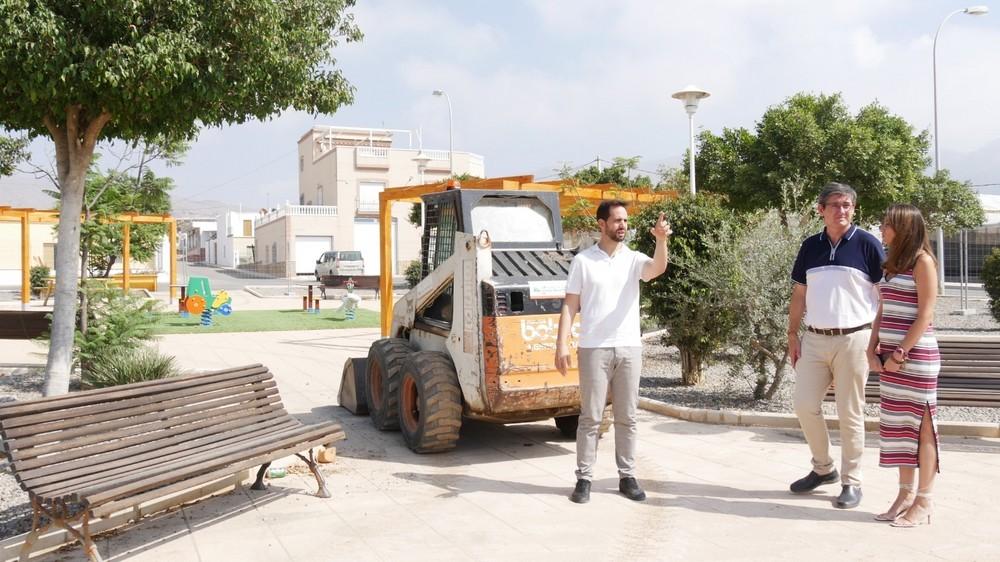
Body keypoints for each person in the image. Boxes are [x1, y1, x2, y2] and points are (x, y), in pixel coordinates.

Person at [555, 200, 670, 504]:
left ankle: (627, 476)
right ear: (601, 224)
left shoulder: (633, 259)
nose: (623, 225)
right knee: (590, 417)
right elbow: (570, 304)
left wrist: (661, 240)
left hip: (629, 347)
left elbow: (657, 268)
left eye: (625, 220)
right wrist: (561, 343)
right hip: (593, 347)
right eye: (617, 220)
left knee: (628, 417)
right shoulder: (583, 261)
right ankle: (584, 479)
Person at [787, 182, 885, 509]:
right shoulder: (810, 246)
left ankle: (851, 481)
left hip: (855, 339)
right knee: (803, 405)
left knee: (850, 412)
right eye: (835, 205)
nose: (842, 210)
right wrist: (792, 335)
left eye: (847, 205)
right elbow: (800, 294)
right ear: (821, 209)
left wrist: (877, 340)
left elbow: (885, 298)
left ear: (853, 209)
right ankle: (823, 468)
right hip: (814, 339)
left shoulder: (869, 245)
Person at [867, 204, 940, 527]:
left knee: (923, 427)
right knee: (898, 429)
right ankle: (904, 493)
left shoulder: (923, 263)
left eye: (887, 225)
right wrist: (872, 349)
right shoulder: (891, 265)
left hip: (915, 357)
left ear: (905, 228)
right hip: (889, 359)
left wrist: (899, 354)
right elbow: (883, 310)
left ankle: (924, 500)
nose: (882, 229)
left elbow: (925, 315)